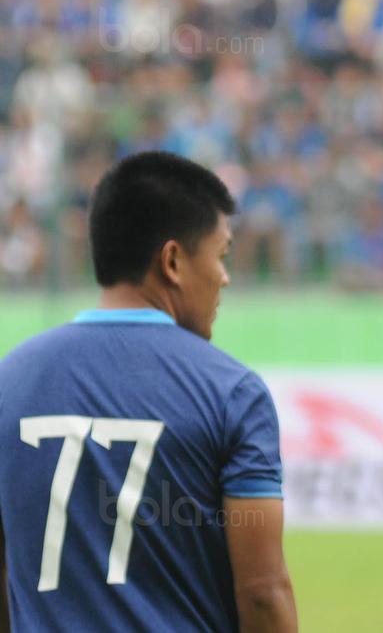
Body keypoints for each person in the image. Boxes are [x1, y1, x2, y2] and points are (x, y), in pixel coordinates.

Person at [0, 152, 297, 632]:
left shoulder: (8, 381)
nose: (225, 277)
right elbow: (262, 594)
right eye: (221, 256)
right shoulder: (232, 393)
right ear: (173, 260)